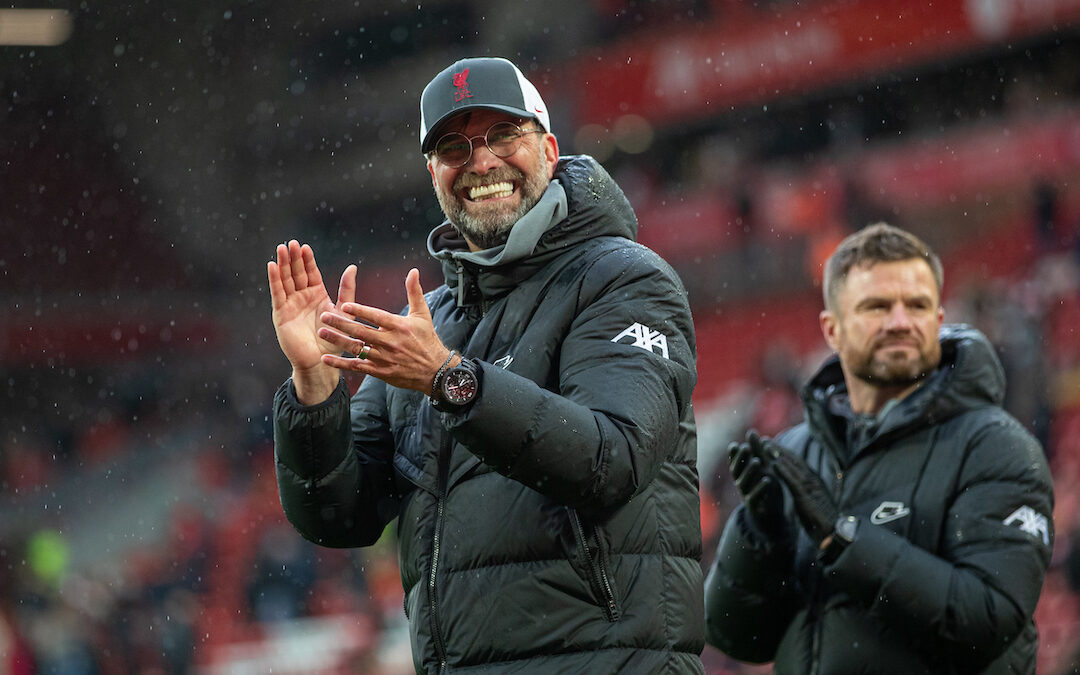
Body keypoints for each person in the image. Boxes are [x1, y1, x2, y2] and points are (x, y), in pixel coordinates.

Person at [267, 56, 704, 673]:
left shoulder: (625, 279)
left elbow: (614, 458)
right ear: (433, 174)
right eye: (453, 148)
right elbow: (339, 515)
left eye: (504, 135)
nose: (480, 162)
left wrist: (449, 380)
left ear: (549, 149)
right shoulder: (430, 323)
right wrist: (315, 383)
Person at [704, 223, 1054, 673]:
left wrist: (844, 540)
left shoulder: (997, 447)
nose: (900, 322)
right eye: (877, 306)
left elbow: (989, 619)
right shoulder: (794, 450)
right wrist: (759, 537)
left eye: (918, 305)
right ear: (832, 329)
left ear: (939, 320)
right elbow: (735, 636)